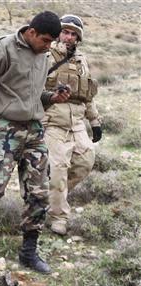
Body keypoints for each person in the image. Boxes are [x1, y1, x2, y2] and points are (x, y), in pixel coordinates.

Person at [0, 11, 70, 274]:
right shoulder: (4, 47)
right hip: (5, 129)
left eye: (52, 41)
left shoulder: (43, 54)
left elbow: (32, 94)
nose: (48, 46)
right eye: (44, 40)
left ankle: (29, 252)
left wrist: (51, 98)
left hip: (34, 130)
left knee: (39, 193)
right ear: (31, 32)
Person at [43, 15, 102, 235]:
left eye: (73, 34)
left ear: (78, 38)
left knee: (85, 161)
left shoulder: (81, 60)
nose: (68, 37)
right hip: (52, 120)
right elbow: (31, 89)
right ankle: (57, 216)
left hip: (77, 122)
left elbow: (87, 94)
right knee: (58, 169)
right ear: (58, 33)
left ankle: (48, 198)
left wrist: (94, 121)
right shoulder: (45, 55)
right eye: (65, 32)